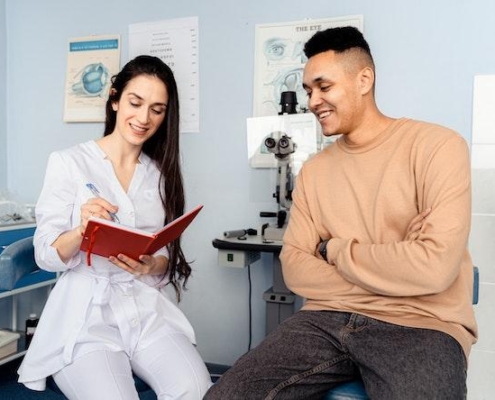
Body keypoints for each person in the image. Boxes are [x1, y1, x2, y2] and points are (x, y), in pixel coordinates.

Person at [205, 26, 477, 400]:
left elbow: (435, 266)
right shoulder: (315, 170)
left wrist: (332, 250)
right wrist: (398, 276)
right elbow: (296, 264)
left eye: (323, 86)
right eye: (308, 91)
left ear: (364, 79)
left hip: (422, 325)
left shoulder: (438, 147)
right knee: (225, 395)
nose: (313, 100)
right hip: (325, 320)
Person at [18, 55, 212, 399]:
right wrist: (82, 230)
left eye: (157, 109)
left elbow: (165, 256)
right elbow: (45, 255)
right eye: (135, 103)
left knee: (196, 390)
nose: (144, 118)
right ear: (114, 98)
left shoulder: (159, 174)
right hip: (85, 316)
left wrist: (152, 264)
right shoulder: (69, 162)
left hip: (143, 308)